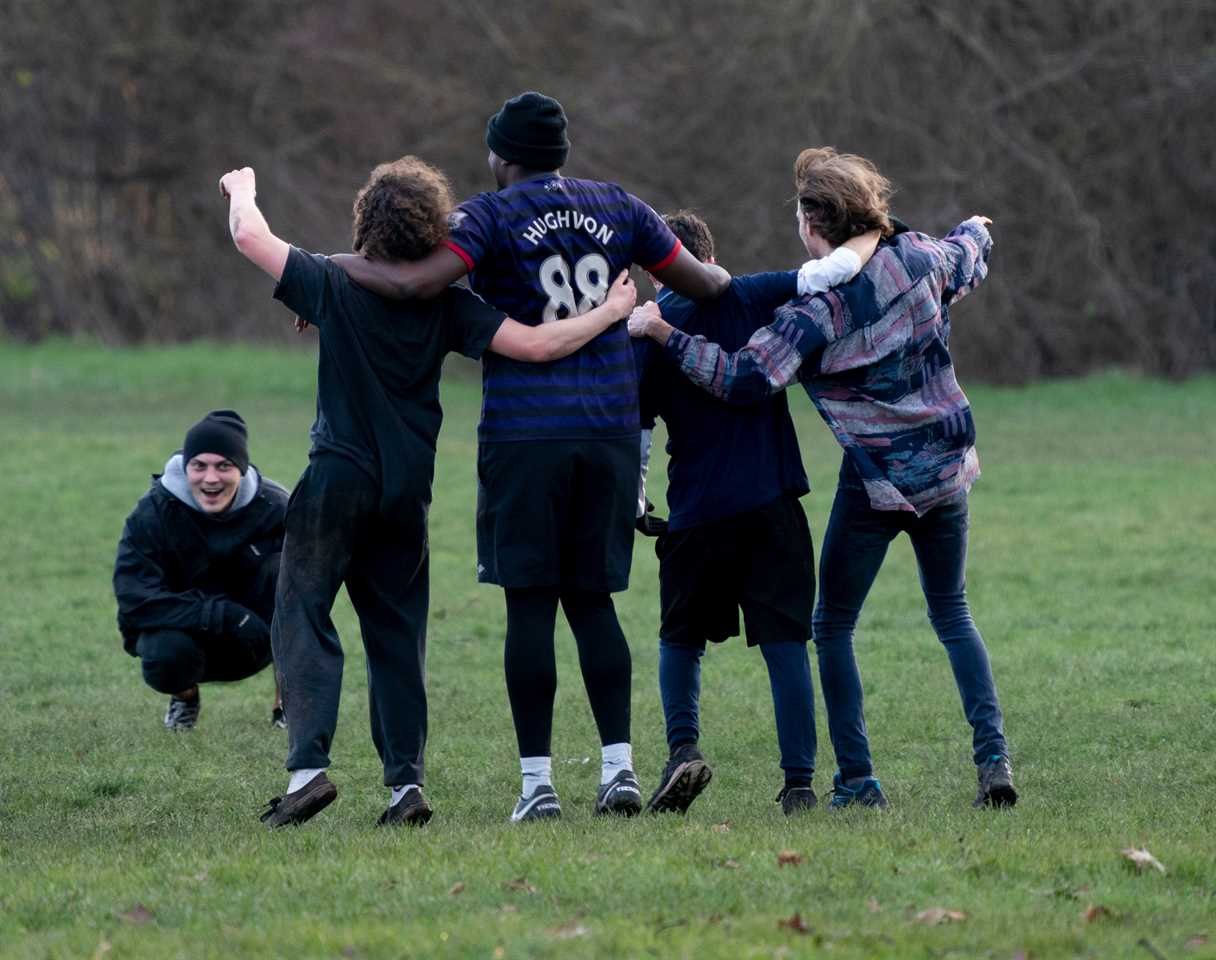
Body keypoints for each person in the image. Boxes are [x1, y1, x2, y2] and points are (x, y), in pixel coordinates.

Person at [333, 92, 733, 822]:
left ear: (499, 156)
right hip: (610, 429)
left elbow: (417, 280)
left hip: (526, 435)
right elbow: (702, 282)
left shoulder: (487, 216)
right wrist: (735, 285)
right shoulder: (621, 206)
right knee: (593, 602)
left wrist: (324, 268)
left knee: (529, 606)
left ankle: (537, 786)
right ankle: (620, 772)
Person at [219, 156, 639, 828]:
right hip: (407, 491)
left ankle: (308, 770)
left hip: (338, 477)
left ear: (365, 228)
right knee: (397, 637)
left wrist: (243, 188)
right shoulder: (452, 306)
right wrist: (613, 310)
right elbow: (534, 346)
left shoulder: (331, 283)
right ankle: (404, 789)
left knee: (301, 612)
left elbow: (249, 237)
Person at [630, 147, 1018, 810]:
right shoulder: (923, 256)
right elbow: (968, 253)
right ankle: (994, 762)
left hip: (876, 482)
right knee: (952, 612)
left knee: (834, 625)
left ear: (815, 227)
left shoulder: (816, 315)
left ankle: (860, 784)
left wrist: (666, 334)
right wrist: (978, 227)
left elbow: (743, 378)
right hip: (949, 468)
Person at [634, 211, 875, 816]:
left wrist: (634, 499)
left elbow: (634, 427)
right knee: (786, 643)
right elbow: (830, 276)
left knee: (680, 639)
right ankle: (798, 781)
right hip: (770, 501)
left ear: (654, 266)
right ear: (707, 256)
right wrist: (873, 231)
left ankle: (682, 749)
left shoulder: (648, 330)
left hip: (696, 507)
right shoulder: (752, 293)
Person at [114, 409, 288, 730]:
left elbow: (319, 583)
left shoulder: (275, 507)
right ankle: (184, 696)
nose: (210, 478)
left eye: (224, 466)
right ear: (185, 467)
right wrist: (221, 615)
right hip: (184, 638)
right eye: (199, 466)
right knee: (162, 652)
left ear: (242, 469)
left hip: (257, 640)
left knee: (291, 576)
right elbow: (134, 600)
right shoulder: (152, 513)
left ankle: (287, 703)